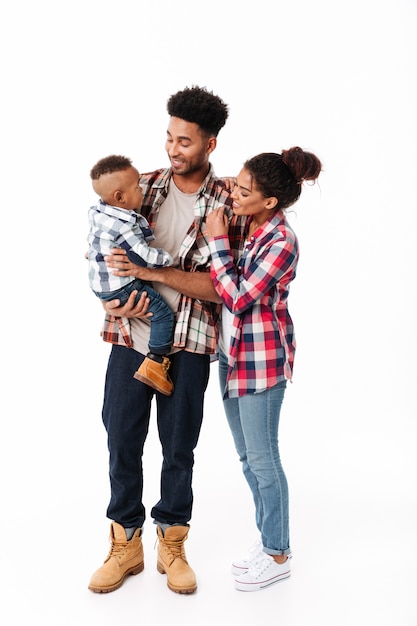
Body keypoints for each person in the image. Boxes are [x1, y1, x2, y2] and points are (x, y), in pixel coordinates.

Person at [88, 86, 237, 595]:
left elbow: (224, 288)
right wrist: (109, 298)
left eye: (186, 142)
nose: (174, 150)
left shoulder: (229, 202)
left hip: (189, 346)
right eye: (170, 138)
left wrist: (161, 272)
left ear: (210, 145)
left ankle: (172, 543)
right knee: (121, 441)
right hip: (130, 339)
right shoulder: (138, 186)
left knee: (179, 449)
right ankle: (125, 542)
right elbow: (102, 254)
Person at [206, 147, 322, 592]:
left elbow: (237, 297)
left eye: (243, 189)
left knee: (264, 458)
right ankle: (267, 537)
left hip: (261, 361)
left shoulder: (281, 241)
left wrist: (217, 242)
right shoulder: (250, 221)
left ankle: (278, 553)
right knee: (245, 457)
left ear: (270, 201)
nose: (233, 192)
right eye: (236, 183)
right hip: (231, 354)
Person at [87, 154, 175, 395]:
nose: (142, 190)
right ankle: (156, 362)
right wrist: (167, 258)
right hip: (120, 286)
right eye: (137, 187)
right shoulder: (124, 225)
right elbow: (142, 256)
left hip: (100, 283)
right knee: (163, 314)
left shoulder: (99, 211)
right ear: (120, 197)